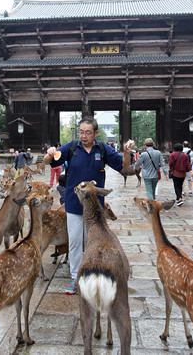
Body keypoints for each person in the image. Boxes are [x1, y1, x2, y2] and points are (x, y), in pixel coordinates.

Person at [43, 116, 133, 295]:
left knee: (93, 241)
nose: (84, 136)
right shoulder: (71, 147)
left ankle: (92, 274)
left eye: (88, 133)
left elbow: (124, 166)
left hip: (94, 206)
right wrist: (50, 152)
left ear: (95, 133)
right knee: (76, 241)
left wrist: (127, 151)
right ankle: (76, 277)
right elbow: (49, 161)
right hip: (74, 203)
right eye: (81, 132)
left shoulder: (103, 149)